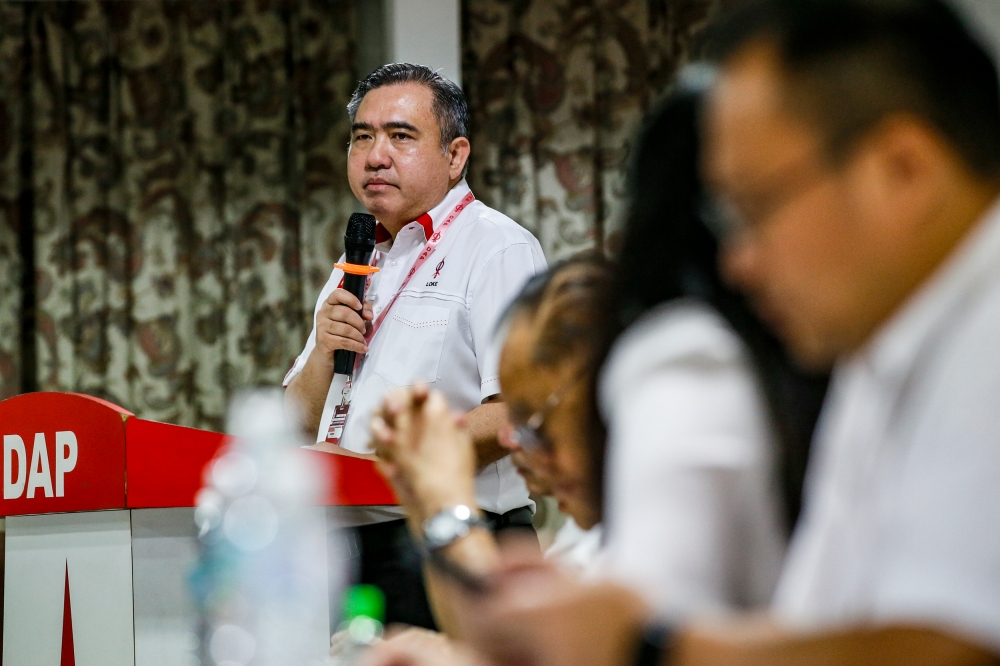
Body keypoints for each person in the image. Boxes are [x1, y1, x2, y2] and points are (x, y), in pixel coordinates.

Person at [363, 0, 1000, 664]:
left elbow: (954, 648)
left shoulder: (985, 339)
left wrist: (642, 641)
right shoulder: (882, 355)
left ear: (903, 170)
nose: (738, 263)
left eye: (755, 207)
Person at [283, 63, 546, 628]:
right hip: (343, 551)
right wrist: (323, 353)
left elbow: (515, 411)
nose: (375, 156)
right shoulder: (357, 260)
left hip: (452, 545)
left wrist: (381, 468)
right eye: (362, 137)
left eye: (400, 136)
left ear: (455, 155)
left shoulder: (497, 248)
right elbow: (294, 422)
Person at [370, 256, 613, 635]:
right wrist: (419, 495)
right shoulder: (582, 539)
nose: (509, 439)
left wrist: (445, 498)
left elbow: (519, 645)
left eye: (532, 416)